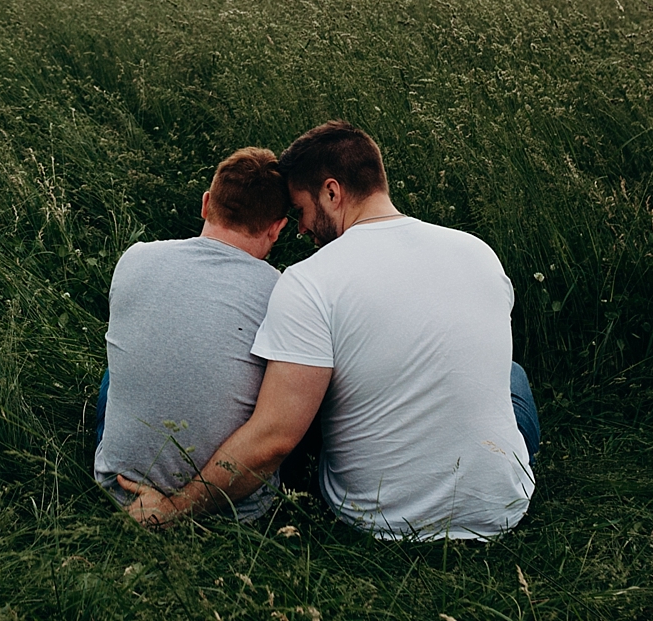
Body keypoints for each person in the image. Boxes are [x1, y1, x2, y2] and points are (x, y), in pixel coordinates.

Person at [118, 121, 538, 540]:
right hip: (502, 508)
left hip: (380, 518)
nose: (299, 229)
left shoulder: (310, 279)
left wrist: (176, 507)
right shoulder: (478, 252)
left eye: (300, 211)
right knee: (512, 376)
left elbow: (275, 439)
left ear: (332, 192)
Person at [94, 147, 293, 523]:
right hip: (235, 508)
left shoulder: (136, 257)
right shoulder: (282, 291)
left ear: (206, 204)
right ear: (277, 227)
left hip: (118, 486)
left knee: (120, 370)